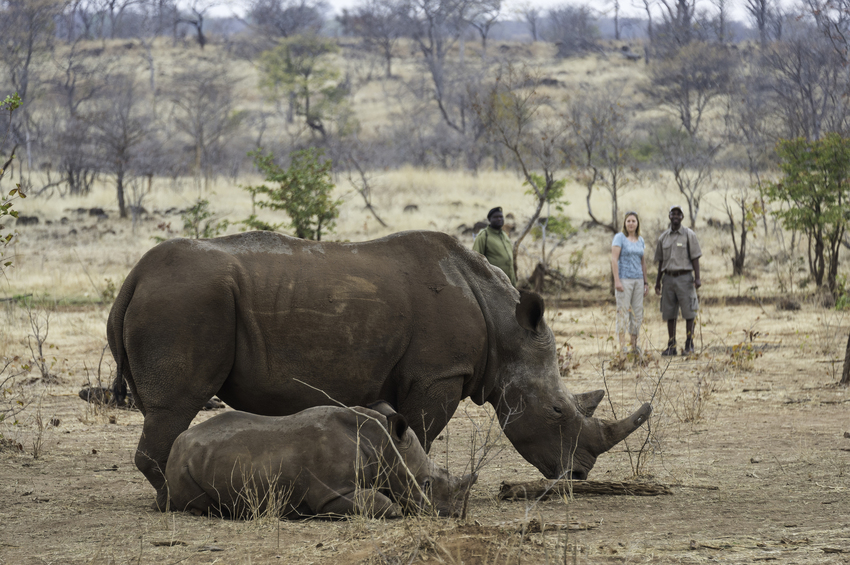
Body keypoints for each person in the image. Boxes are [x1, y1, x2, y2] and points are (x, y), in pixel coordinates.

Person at [653, 205, 702, 356]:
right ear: (669, 216)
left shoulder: (689, 235)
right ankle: (671, 345)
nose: (675, 216)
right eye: (672, 213)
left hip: (685, 278)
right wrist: (657, 282)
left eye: (678, 214)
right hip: (668, 279)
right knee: (669, 313)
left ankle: (689, 344)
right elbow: (661, 262)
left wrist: (698, 278)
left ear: (682, 217)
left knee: (689, 312)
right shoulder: (663, 237)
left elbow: (695, 257)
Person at [611, 211, 648, 354]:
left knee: (637, 313)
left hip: (638, 280)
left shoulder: (641, 240)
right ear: (625, 223)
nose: (631, 223)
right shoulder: (619, 238)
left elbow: (643, 262)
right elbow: (614, 260)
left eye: (633, 221)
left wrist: (645, 283)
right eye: (628, 221)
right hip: (624, 280)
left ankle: (634, 345)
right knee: (623, 312)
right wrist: (617, 281)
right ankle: (622, 346)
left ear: (637, 223)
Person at [473, 207, 517, 285]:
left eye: (501, 217)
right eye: (496, 217)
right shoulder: (483, 236)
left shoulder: (504, 235)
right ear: (489, 219)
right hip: (494, 285)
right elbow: (475, 262)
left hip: (510, 283)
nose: (499, 219)